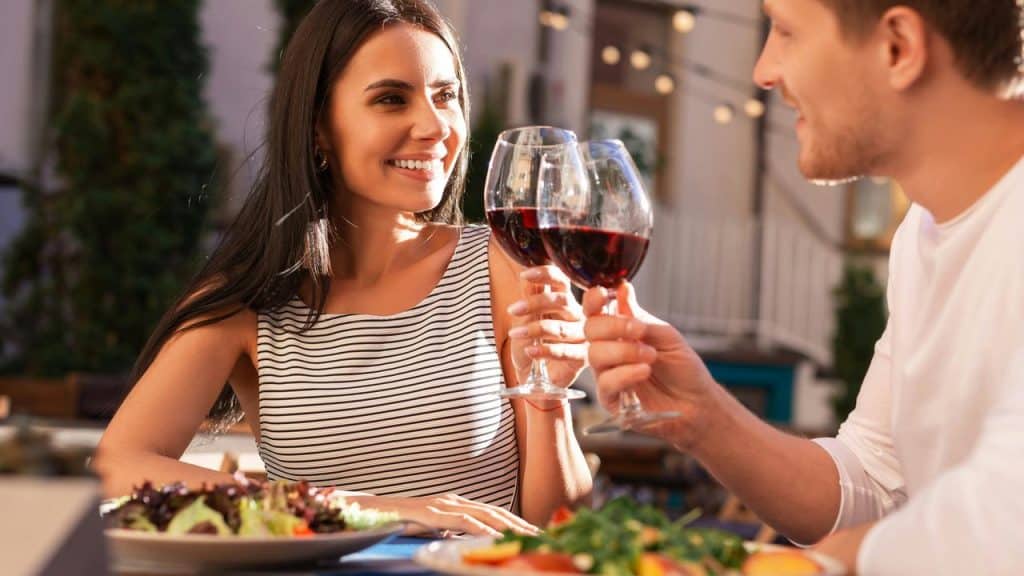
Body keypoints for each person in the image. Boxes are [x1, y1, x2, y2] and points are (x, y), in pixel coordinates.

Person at [93, 0, 593, 536]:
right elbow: (116, 468)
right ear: (318, 127)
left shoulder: (503, 265)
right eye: (391, 99)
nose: (434, 125)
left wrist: (549, 402)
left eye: (446, 96)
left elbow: (561, 532)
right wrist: (365, 510)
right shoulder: (247, 297)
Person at [583, 0, 1024, 573]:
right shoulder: (921, 231)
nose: (764, 71)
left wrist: (821, 564)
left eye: (787, 31)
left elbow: (1007, 514)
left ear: (899, 48)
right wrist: (703, 418)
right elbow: (873, 481)